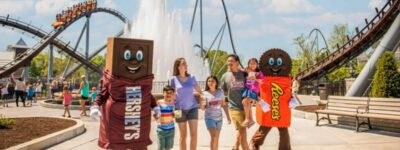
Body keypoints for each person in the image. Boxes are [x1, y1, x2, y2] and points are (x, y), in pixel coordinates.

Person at [170, 58, 203, 150]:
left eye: (186, 63)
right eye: (184, 63)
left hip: (193, 108)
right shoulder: (173, 79)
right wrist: (171, 109)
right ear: (178, 67)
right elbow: (171, 95)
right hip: (178, 110)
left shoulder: (192, 77)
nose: (186, 65)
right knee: (183, 136)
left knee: (194, 135)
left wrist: (208, 95)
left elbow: (199, 90)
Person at [220, 54, 249, 150]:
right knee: (243, 133)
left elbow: (250, 86)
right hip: (234, 108)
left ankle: (235, 147)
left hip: (246, 108)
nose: (229, 63)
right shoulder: (225, 76)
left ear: (237, 62)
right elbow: (222, 90)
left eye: (231, 61)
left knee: (241, 131)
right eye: (228, 61)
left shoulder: (244, 74)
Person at [200, 76, 231, 150]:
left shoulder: (220, 93)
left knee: (216, 138)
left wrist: (228, 117)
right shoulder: (204, 93)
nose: (210, 83)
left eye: (212, 81)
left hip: (219, 119)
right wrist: (202, 104)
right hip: (209, 118)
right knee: (213, 136)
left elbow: (224, 105)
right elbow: (202, 109)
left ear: (216, 83)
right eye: (209, 81)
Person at [241, 58, 265, 128]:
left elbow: (262, 81)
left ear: (257, 65)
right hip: (247, 88)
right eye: (250, 63)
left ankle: (247, 119)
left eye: (254, 63)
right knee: (245, 102)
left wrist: (255, 79)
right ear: (248, 64)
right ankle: (251, 119)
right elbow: (238, 70)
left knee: (245, 101)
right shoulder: (246, 71)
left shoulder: (259, 72)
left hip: (253, 89)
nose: (252, 65)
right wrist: (243, 70)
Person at [154, 85, 176, 150]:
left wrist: (175, 113)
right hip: (161, 130)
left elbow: (175, 115)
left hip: (171, 129)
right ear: (163, 93)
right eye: (167, 92)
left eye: (171, 93)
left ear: (173, 94)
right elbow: (156, 115)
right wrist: (157, 117)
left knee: (168, 148)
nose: (169, 94)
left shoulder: (173, 103)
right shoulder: (159, 102)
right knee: (160, 148)